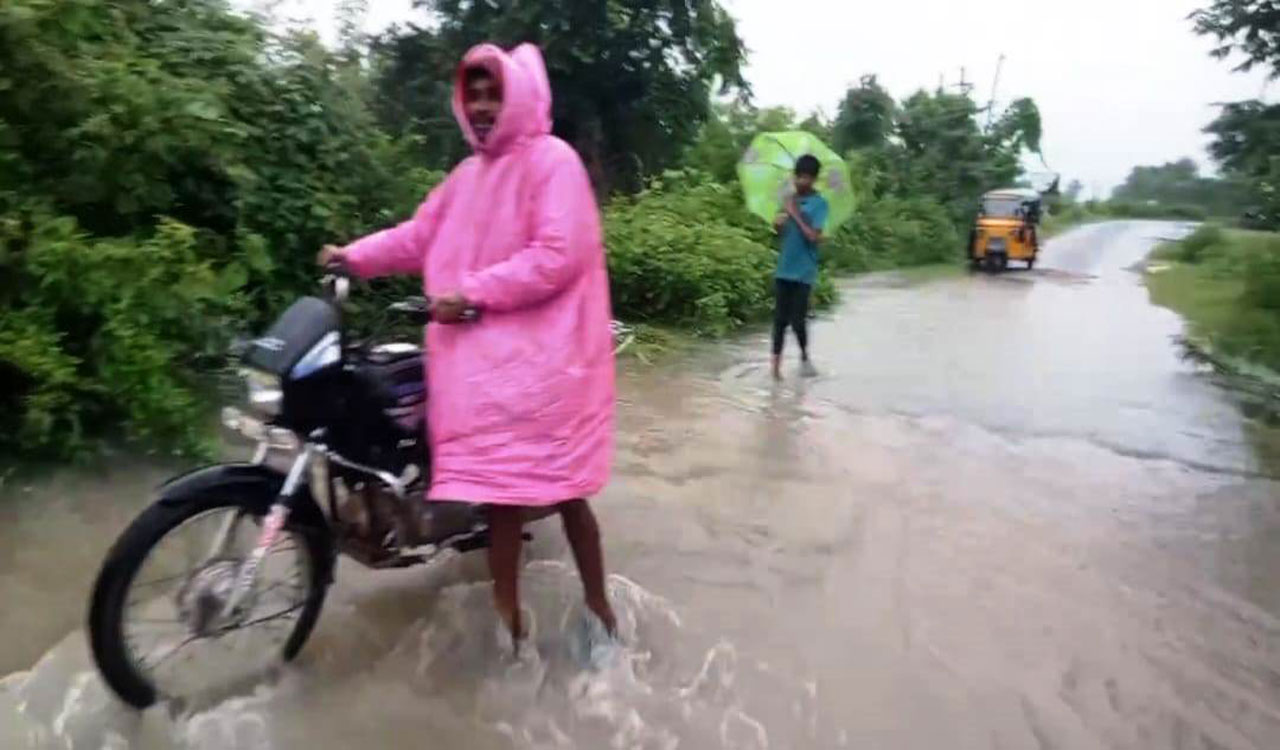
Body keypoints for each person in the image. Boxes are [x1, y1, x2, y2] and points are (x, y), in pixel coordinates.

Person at [318, 43, 617, 657]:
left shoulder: (552, 162)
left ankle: (599, 610)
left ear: (517, 97)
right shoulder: (467, 177)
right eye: (472, 93)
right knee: (501, 499)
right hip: (487, 370)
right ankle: (511, 624)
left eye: (492, 93)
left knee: (565, 494)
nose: (481, 105)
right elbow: (417, 236)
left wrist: (473, 293)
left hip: (546, 367)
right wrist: (355, 255)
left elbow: (560, 256)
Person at [771, 154, 828, 380]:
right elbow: (781, 233)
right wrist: (778, 225)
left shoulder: (820, 204)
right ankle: (774, 372)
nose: (801, 181)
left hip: (804, 272)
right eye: (798, 177)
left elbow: (813, 237)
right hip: (784, 267)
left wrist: (794, 213)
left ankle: (804, 356)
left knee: (797, 321)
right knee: (779, 321)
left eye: (806, 178)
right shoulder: (787, 200)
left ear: (813, 179)